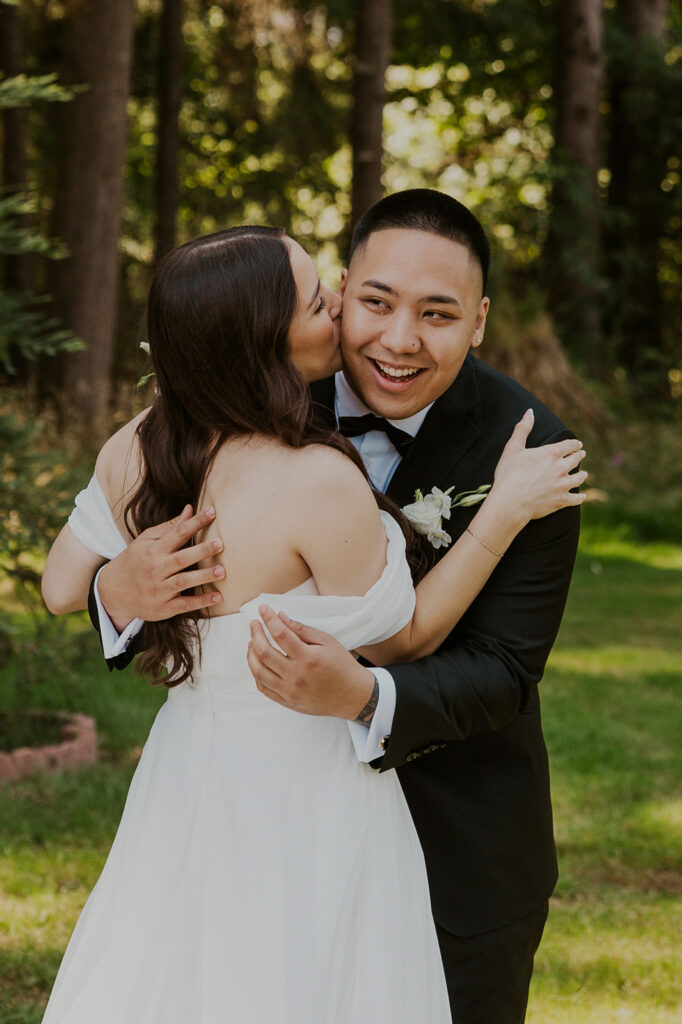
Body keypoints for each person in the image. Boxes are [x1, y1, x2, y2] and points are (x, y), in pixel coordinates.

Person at [41, 220, 585, 1023]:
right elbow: (400, 638)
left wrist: (363, 696)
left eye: (436, 312)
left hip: (241, 796)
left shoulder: (146, 439)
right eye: (338, 301)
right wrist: (123, 587)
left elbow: (56, 581)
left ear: (480, 318)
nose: (373, 331)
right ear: (264, 336)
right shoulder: (318, 477)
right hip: (313, 802)